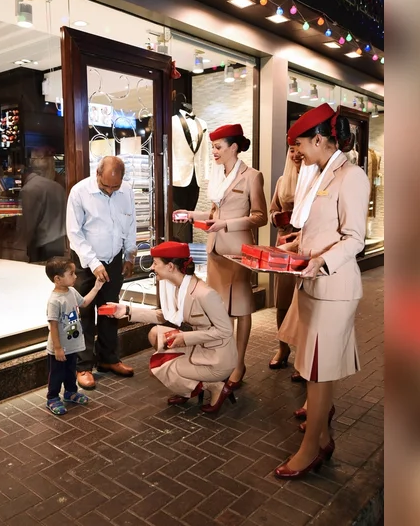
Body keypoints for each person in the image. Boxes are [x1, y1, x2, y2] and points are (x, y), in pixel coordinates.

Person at [274, 103, 370, 479]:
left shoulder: (351, 176)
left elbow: (355, 239)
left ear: (320, 140)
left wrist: (320, 261)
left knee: (318, 371)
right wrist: (296, 244)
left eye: (300, 144)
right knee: (316, 369)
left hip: (335, 286)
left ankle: (311, 448)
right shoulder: (319, 175)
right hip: (314, 283)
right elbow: (322, 230)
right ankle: (322, 436)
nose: (296, 152)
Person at [172, 124, 267, 388]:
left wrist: (227, 225)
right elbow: (215, 216)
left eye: (217, 146)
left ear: (234, 147)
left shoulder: (252, 176)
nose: (213, 151)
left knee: (241, 308)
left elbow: (260, 217)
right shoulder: (217, 175)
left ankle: (239, 364)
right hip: (215, 251)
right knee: (217, 310)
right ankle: (220, 358)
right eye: (212, 146)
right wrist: (191, 215)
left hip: (238, 252)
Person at [102, 241, 238, 413]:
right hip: (197, 346)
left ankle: (214, 386)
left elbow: (226, 331)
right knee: (154, 334)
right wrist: (127, 310)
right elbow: (163, 315)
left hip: (216, 358)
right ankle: (188, 388)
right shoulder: (175, 287)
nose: (152, 267)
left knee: (158, 368)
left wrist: (185, 338)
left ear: (171, 266)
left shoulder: (205, 294)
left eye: (156, 263)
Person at [65, 156, 137, 389]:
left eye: (114, 187)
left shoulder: (125, 191)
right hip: (86, 263)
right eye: (106, 186)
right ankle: (82, 365)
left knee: (110, 310)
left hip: (114, 259)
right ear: (97, 173)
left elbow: (130, 223)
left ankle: (108, 359)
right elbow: (74, 233)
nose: (110, 191)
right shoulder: (79, 192)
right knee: (83, 312)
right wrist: (93, 263)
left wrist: (129, 254)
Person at [43, 257, 105, 415]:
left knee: (71, 371)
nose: (75, 276)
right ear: (58, 279)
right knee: (57, 373)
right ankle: (52, 398)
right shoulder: (54, 301)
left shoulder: (72, 292)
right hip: (60, 348)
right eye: (71, 274)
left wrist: (97, 287)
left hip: (72, 345)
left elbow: (84, 303)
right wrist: (57, 348)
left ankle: (70, 392)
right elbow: (53, 326)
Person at [269, 146, 304, 375]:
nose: (295, 154)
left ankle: (304, 356)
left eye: (299, 149)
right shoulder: (283, 180)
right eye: (291, 150)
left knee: (303, 304)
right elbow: (271, 212)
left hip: (306, 246)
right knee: (282, 301)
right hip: (284, 245)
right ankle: (283, 348)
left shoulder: (317, 179)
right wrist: (279, 218)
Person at [18, 148, 67, 262]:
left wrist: (19, 249)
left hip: (42, 245)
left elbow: (27, 225)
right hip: (60, 242)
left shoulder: (29, 190)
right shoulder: (58, 187)